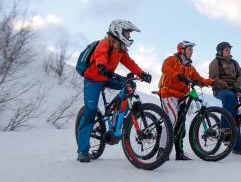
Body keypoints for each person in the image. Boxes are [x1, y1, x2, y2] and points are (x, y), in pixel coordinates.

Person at [77, 20, 152, 163]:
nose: (129, 35)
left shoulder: (121, 49)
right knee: (91, 111)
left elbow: (130, 63)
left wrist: (141, 73)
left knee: (129, 85)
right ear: (118, 31)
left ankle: (117, 116)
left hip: (107, 77)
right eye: (127, 32)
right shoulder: (105, 43)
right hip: (93, 79)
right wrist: (101, 66)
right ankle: (82, 150)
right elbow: (100, 55)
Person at [159, 41, 219, 160]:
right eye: (189, 49)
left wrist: (211, 82)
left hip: (182, 96)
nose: (192, 52)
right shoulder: (172, 59)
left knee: (181, 125)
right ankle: (161, 151)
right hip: (168, 93)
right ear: (182, 50)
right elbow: (165, 69)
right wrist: (178, 75)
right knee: (172, 118)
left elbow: (199, 78)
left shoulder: (190, 67)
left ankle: (179, 153)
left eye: (192, 50)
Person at [208, 41, 241, 155]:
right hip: (220, 90)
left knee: (235, 117)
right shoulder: (215, 63)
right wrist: (227, 86)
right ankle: (225, 129)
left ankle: (238, 147)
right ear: (220, 51)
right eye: (226, 49)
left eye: (229, 49)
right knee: (229, 97)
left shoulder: (234, 62)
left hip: (233, 90)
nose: (229, 51)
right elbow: (214, 78)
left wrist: (235, 87)